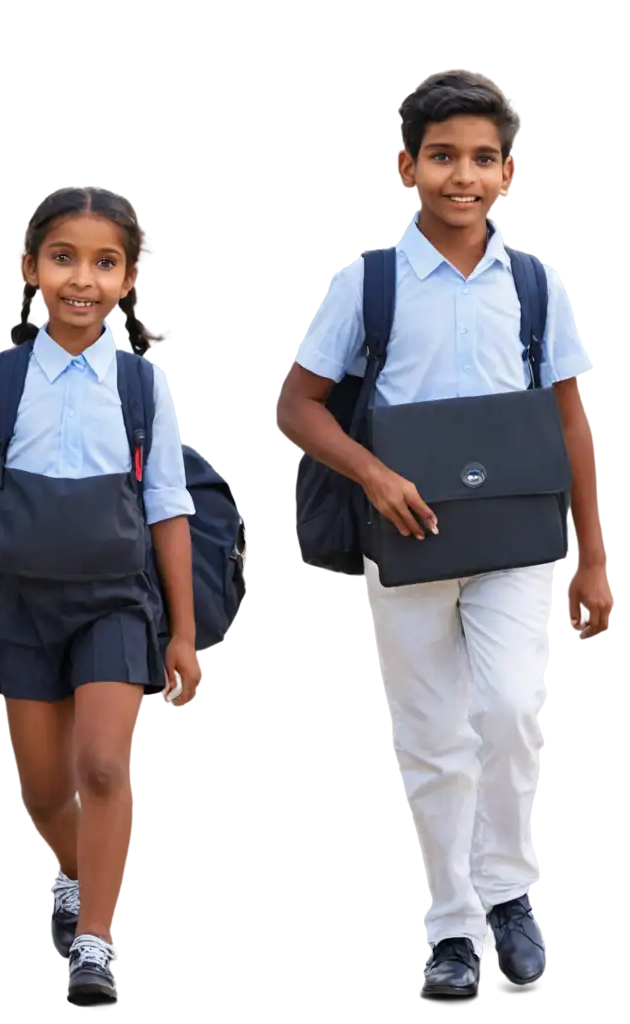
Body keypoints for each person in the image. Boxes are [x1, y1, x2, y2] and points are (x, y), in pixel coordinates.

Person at [274, 68, 614, 1000]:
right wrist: (376, 476)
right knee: (431, 737)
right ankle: (450, 927)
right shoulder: (364, 284)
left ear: (508, 172)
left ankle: (510, 892)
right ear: (406, 166)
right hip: (409, 537)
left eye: (480, 159)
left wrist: (595, 558)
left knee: (510, 712)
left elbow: (572, 422)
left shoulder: (539, 287)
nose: (461, 175)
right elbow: (297, 409)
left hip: (512, 541)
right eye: (441, 157)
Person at [0, 185, 206, 1009]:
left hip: (115, 599)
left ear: (128, 279)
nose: (81, 279)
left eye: (103, 262)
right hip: (19, 602)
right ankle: (80, 874)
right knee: (47, 786)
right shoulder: (0, 381)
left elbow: (168, 507)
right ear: (31, 268)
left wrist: (183, 630)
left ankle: (96, 942)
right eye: (63, 258)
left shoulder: (147, 385)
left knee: (103, 765)